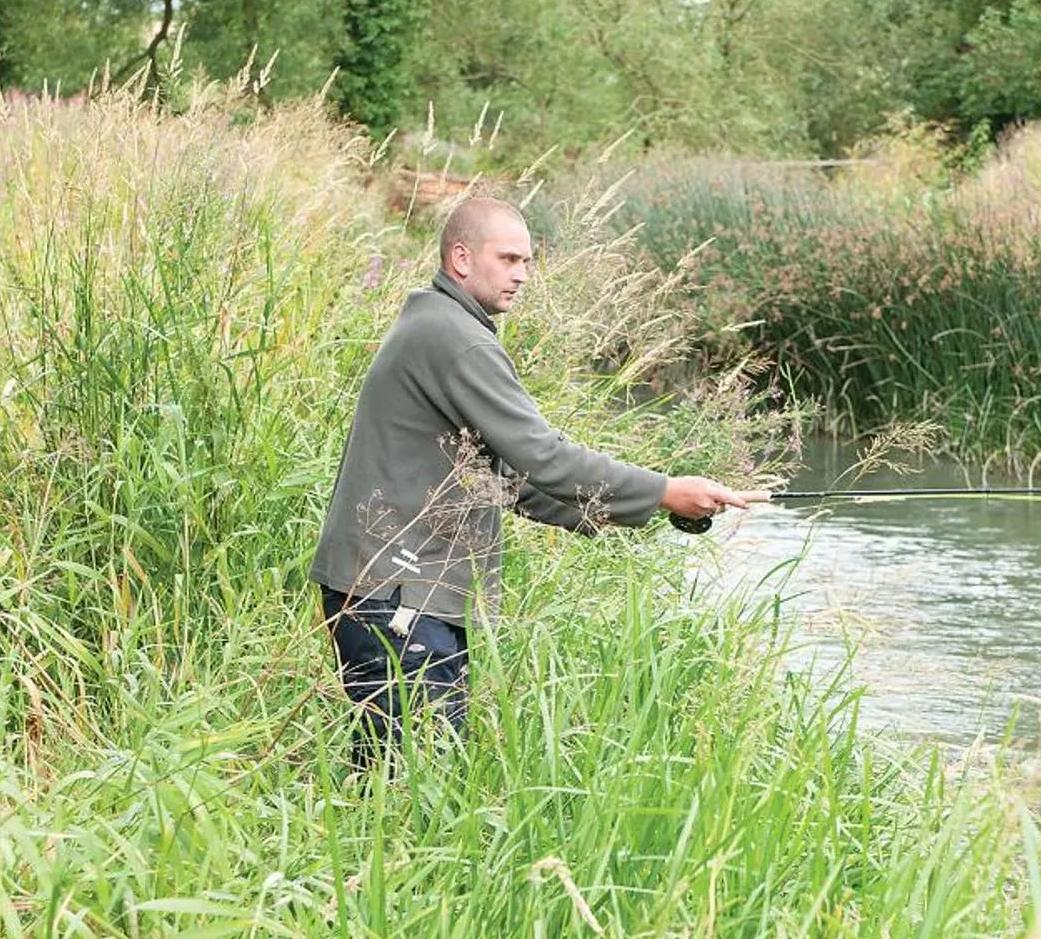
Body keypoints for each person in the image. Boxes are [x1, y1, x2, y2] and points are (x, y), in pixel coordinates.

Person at [310, 195, 757, 761]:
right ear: (461, 258)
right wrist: (666, 490)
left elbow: (495, 479)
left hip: (392, 589)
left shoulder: (438, 324)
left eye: (526, 261)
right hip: (398, 594)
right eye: (508, 259)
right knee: (414, 777)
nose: (522, 274)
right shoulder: (458, 339)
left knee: (398, 774)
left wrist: (633, 510)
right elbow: (544, 456)